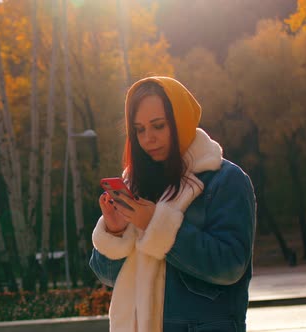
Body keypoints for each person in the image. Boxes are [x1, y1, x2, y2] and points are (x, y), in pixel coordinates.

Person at [89, 76, 256, 332]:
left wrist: (157, 226)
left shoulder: (225, 180)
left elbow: (230, 266)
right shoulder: (136, 184)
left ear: (181, 121)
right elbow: (109, 277)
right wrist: (115, 232)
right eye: (139, 129)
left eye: (158, 126)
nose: (148, 139)